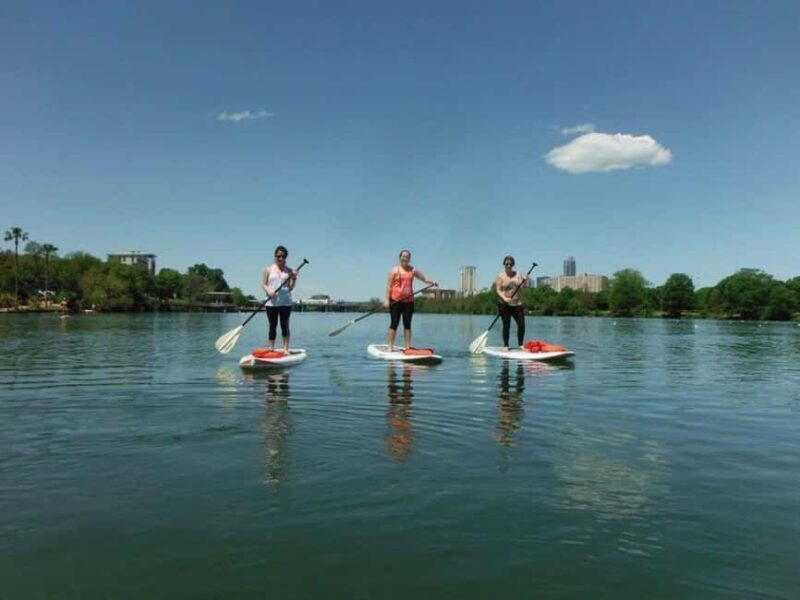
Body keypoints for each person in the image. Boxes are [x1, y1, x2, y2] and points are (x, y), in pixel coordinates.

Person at [383, 250, 438, 351]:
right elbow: (388, 285)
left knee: (407, 324)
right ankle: (390, 346)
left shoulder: (413, 270)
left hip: (409, 301)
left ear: (409, 259)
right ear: (400, 257)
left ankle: (407, 347)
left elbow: (424, 278)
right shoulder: (394, 270)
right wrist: (386, 300)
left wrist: (432, 281)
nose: (405, 258)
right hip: (395, 300)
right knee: (394, 323)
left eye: (407, 257)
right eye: (403, 256)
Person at [261, 245, 298, 352]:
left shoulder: (289, 271)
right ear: (275, 256)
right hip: (271, 303)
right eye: (278, 256)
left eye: (283, 256)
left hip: (285, 302)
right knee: (272, 325)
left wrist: (294, 278)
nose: (281, 258)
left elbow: (290, 288)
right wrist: (269, 291)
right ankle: (271, 348)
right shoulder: (268, 269)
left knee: (284, 325)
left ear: (286, 257)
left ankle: (285, 349)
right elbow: (263, 284)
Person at [495, 255, 527, 351]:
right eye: (506, 264)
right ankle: (506, 345)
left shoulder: (518, 274)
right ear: (504, 264)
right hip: (504, 304)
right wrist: (505, 298)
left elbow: (522, 287)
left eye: (510, 264)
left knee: (521, 325)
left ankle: (521, 344)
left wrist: (525, 281)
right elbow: (498, 290)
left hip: (517, 304)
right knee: (506, 325)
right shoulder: (501, 276)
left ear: (513, 264)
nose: (508, 265)